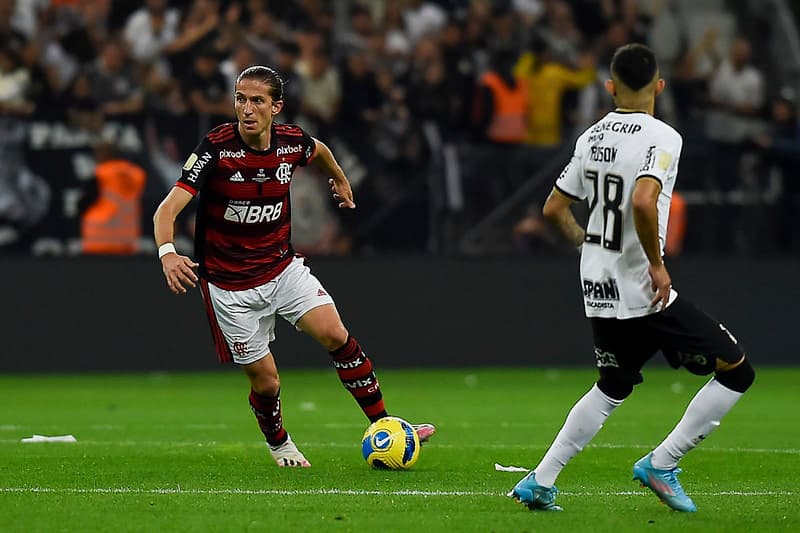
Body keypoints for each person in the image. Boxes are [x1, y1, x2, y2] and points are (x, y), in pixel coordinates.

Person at [509, 44, 755, 512]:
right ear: (659, 86)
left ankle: (540, 480)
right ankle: (662, 463)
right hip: (642, 286)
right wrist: (657, 263)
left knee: (612, 385)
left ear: (610, 86)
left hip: (597, 282)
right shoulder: (663, 137)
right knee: (737, 369)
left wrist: (584, 242)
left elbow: (553, 208)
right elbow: (644, 201)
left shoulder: (591, 137)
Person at [152, 65, 435, 468]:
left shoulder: (289, 143)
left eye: (257, 101)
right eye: (240, 99)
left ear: (276, 107)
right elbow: (167, 209)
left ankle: (385, 425)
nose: (246, 109)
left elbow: (317, 149)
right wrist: (167, 251)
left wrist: (338, 178)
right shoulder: (216, 149)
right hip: (231, 287)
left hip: (283, 269)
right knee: (267, 382)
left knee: (336, 334)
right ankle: (280, 443)